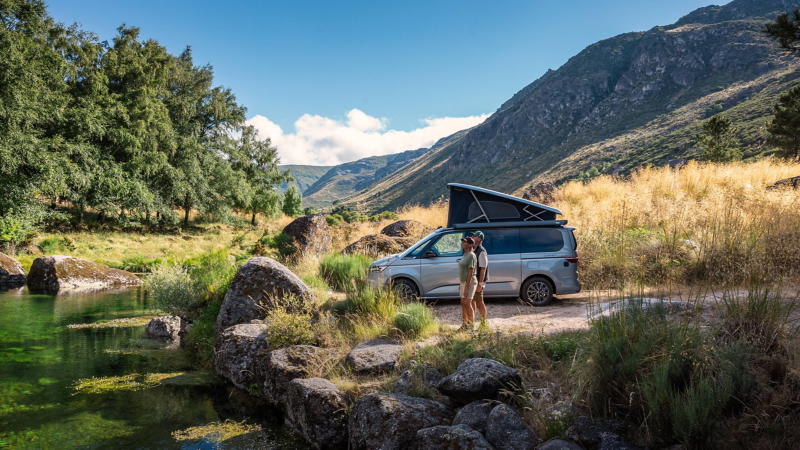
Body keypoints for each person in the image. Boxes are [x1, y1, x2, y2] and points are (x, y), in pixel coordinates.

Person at [469, 230, 488, 327]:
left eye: (475, 236)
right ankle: (472, 321)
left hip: (478, 281)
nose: (472, 237)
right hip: (474, 280)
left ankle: (484, 323)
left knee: (479, 301)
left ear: (479, 239)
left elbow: (483, 268)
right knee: (472, 300)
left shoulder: (481, 251)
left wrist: (480, 283)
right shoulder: (474, 250)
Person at [458, 236, 477, 331]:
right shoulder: (465, 255)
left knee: (467, 302)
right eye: (463, 242)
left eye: (465, 242)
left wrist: (466, 287)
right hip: (463, 282)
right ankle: (464, 324)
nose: (463, 243)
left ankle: (471, 326)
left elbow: (470, 273)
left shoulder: (471, 256)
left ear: (470, 245)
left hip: (469, 282)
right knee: (463, 302)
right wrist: (461, 284)